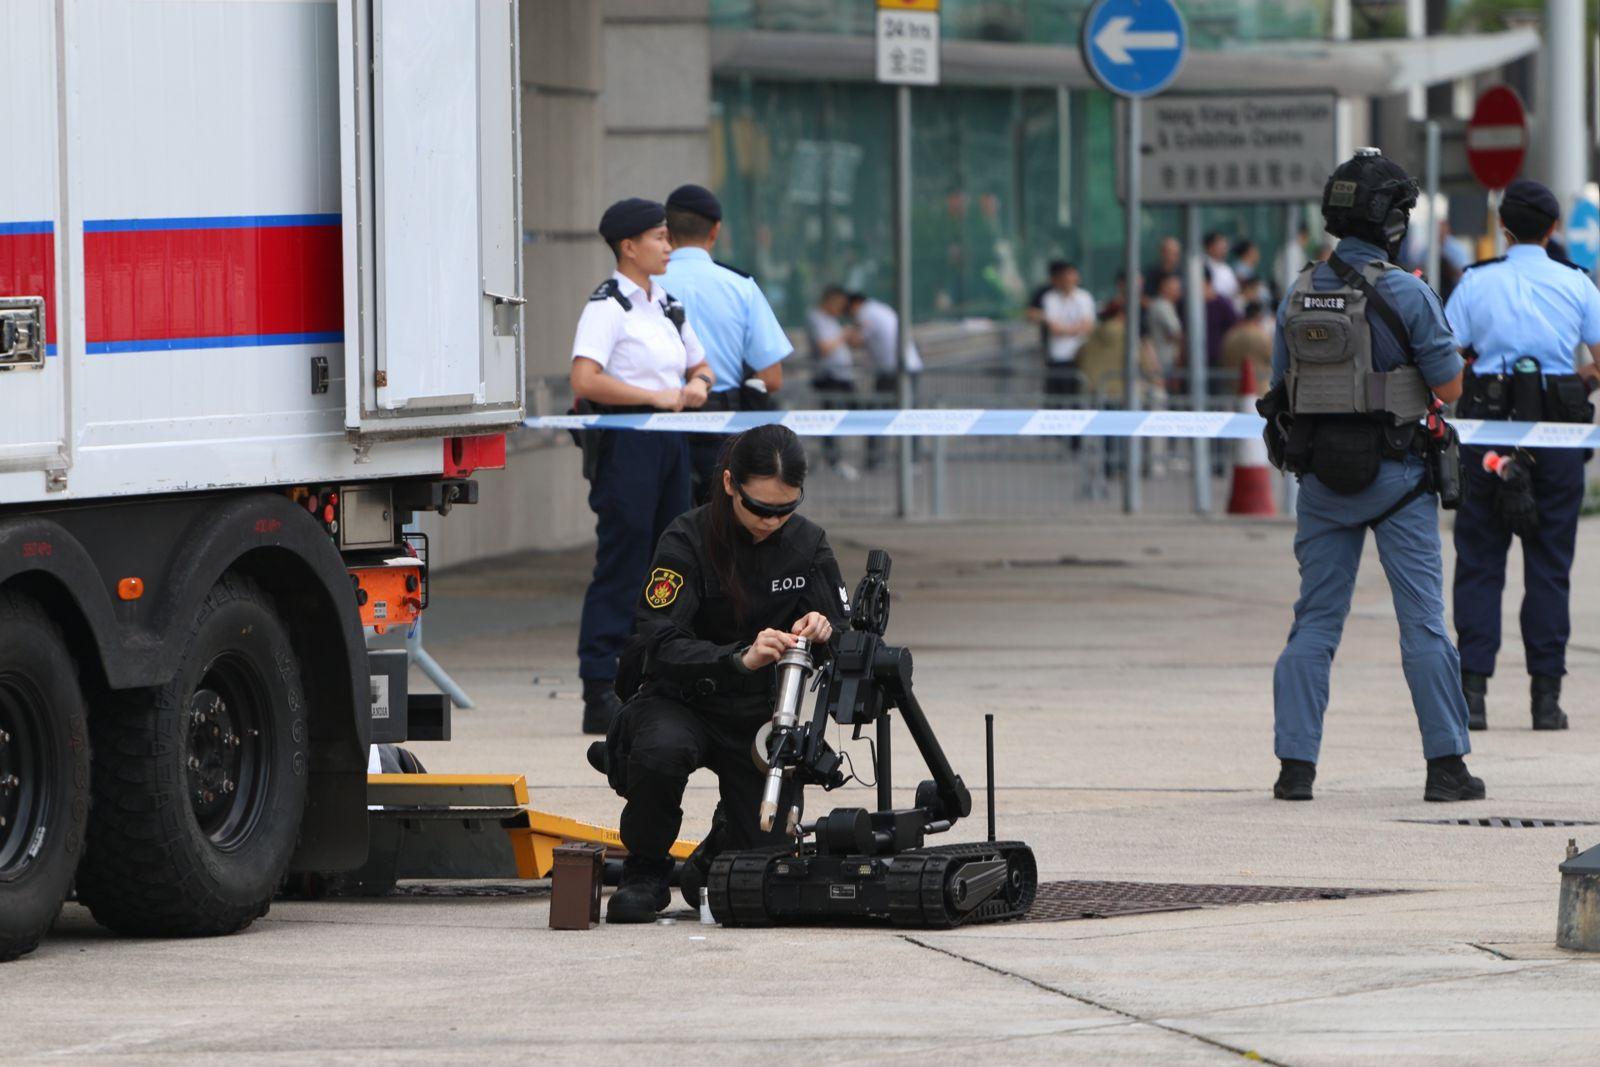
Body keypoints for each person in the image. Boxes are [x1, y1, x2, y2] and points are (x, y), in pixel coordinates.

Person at [1265, 148, 1480, 803]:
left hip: (1323, 486)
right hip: (1399, 480)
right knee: (1422, 623)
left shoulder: (1298, 293)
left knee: (1314, 624)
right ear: (1390, 222)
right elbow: (1449, 387)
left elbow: (1282, 389)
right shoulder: (1408, 292)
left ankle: (1294, 770)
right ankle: (1445, 767)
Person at [594, 425, 851, 922]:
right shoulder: (686, 538)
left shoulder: (808, 543)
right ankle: (646, 871)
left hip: (760, 714)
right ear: (730, 484)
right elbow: (655, 639)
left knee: (763, 868)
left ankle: (713, 854)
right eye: (760, 508)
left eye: (786, 509)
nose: (772, 522)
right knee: (660, 751)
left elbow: (850, 637)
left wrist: (826, 631)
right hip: (683, 699)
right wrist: (737, 657)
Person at [1445, 179, 1600, 732]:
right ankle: (1546, 700)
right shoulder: (1577, 284)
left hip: (1487, 436)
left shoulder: (1474, 283)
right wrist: (1579, 379)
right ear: (1554, 229)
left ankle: (1473, 698)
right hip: (1557, 440)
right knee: (1551, 567)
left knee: (1480, 564)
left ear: (1503, 228)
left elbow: (1445, 360)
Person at [570, 197, 714, 735]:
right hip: (627, 443)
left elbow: (700, 364)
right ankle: (598, 686)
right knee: (623, 560)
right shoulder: (608, 307)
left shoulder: (667, 304)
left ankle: (657, 675)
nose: (668, 246)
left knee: (670, 560)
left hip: (671, 443)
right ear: (629, 246)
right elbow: (585, 379)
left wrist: (696, 386)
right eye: (658, 237)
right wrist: (654, 397)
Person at [657, 184, 793, 503]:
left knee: (665, 536)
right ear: (715, 230)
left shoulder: (645, 284)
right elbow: (772, 378)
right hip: (722, 430)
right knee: (721, 532)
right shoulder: (741, 287)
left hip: (657, 423)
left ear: (666, 230)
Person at [846, 291, 923, 470]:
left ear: (856, 303)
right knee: (907, 412)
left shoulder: (866, 312)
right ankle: (911, 458)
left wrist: (844, 334)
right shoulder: (880, 308)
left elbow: (856, 340)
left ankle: (876, 458)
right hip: (904, 366)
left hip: (894, 369)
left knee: (879, 413)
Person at [807, 286, 860, 478]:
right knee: (831, 418)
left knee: (853, 413)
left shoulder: (832, 320)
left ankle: (833, 455)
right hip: (829, 377)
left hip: (843, 375)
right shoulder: (816, 318)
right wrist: (843, 335)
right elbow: (825, 347)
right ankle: (832, 458)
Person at [1039, 262, 1096, 402]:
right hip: (1058, 356)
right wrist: (1076, 329)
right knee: (1055, 399)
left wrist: (1066, 329)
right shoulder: (1050, 298)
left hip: (1080, 355)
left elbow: (1088, 326)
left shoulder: (1084, 297)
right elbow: (1054, 328)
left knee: (1076, 398)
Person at [1205, 231, 1240, 310]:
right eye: (1219, 246)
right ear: (1210, 247)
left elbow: (1234, 291)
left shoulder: (1227, 268)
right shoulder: (1204, 266)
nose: (1223, 249)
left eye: (1224, 246)